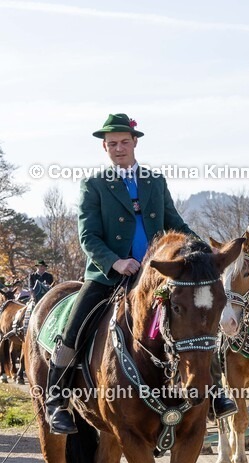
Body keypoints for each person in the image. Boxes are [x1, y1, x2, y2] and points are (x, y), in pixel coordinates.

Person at [45, 112, 237, 435]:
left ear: (135, 142)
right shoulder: (93, 185)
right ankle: (55, 398)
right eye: (111, 144)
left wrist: (204, 252)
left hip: (155, 277)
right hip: (109, 276)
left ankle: (214, 390)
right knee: (74, 323)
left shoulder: (154, 181)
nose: (118, 148)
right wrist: (115, 262)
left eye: (123, 142)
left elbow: (175, 222)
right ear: (104, 149)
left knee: (197, 321)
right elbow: (87, 236)